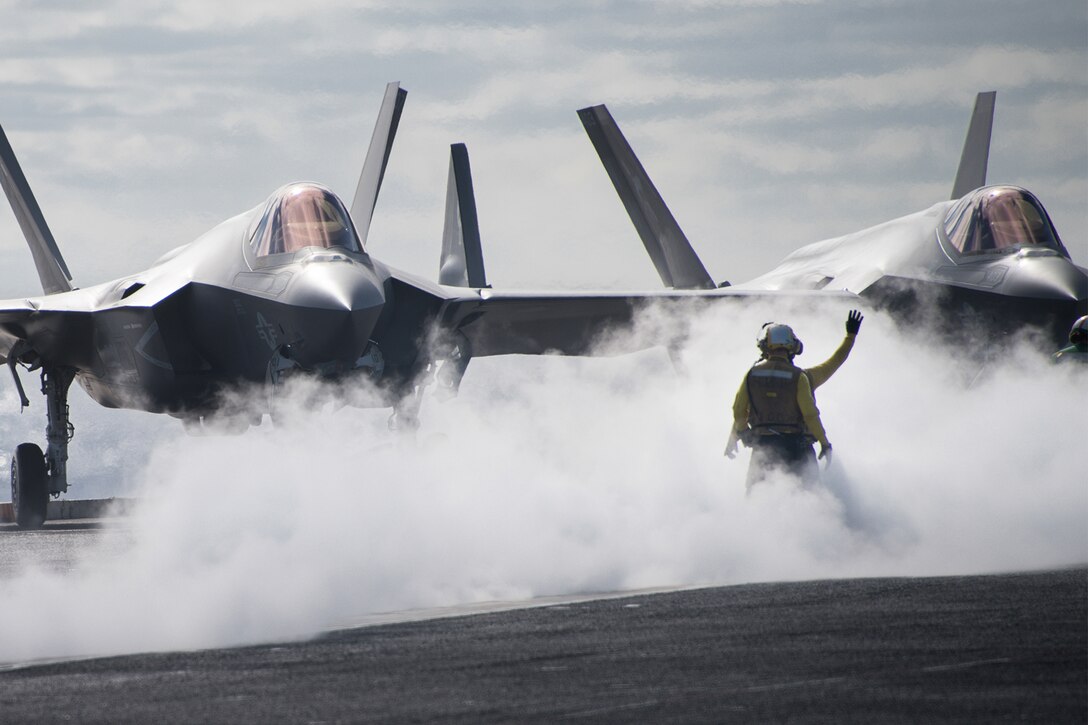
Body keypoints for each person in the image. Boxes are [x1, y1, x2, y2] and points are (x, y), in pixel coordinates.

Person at [725, 310, 863, 489]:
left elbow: (739, 411)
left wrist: (736, 436)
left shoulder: (752, 375)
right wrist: (850, 336)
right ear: (794, 348)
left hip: (763, 450)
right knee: (810, 500)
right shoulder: (802, 377)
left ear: (765, 347)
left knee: (757, 500)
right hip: (797, 450)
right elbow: (810, 413)